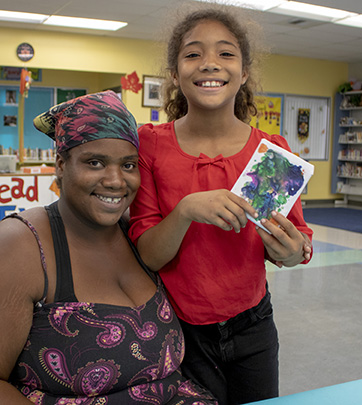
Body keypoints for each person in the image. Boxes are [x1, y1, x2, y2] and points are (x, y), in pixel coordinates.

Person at [0, 91, 217, 405]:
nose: (115, 180)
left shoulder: (138, 236)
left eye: (128, 165)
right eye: (94, 162)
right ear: (60, 164)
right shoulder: (19, 245)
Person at [128, 6, 314, 404]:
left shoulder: (272, 152)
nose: (209, 63)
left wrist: (294, 250)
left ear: (244, 72)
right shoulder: (151, 145)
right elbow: (148, 254)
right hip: (177, 330)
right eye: (193, 53)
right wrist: (185, 211)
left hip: (254, 327)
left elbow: (299, 241)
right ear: (175, 74)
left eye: (226, 53)